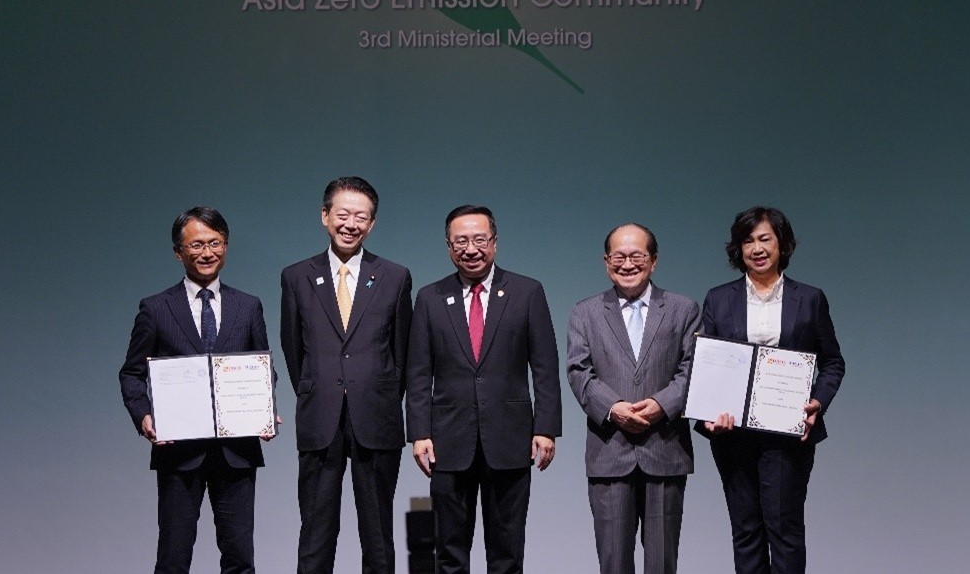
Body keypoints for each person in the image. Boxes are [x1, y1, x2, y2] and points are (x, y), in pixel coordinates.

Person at [406, 204, 563, 574]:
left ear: (495, 243)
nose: (471, 249)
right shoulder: (430, 298)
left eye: (479, 239)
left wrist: (545, 427)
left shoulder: (527, 292)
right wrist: (419, 432)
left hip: (510, 438)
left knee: (507, 552)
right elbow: (417, 373)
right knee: (449, 550)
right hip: (448, 441)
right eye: (461, 241)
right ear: (448, 247)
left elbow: (545, 366)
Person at [119, 206, 274, 574]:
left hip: (236, 451)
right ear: (178, 252)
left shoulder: (248, 306)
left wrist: (265, 408)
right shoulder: (156, 308)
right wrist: (144, 417)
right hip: (179, 454)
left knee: (239, 559)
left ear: (226, 246)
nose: (207, 252)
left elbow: (264, 369)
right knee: (173, 558)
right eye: (197, 245)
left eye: (215, 243)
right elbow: (131, 373)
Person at [699, 206, 845, 574]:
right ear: (738, 249)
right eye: (748, 241)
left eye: (765, 239)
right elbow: (706, 366)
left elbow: (832, 362)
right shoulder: (718, 299)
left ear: (782, 245)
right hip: (733, 434)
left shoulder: (810, 298)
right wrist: (707, 416)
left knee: (785, 530)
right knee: (745, 531)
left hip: (788, 433)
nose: (757, 248)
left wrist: (818, 403)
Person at [280, 176, 413, 574]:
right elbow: (293, 349)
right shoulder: (296, 276)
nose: (350, 223)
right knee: (316, 533)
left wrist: (382, 395)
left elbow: (402, 352)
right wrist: (316, 391)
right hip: (320, 417)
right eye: (342, 214)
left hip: (376, 417)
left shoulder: (394, 276)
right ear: (325, 216)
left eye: (361, 216)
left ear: (371, 224)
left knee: (378, 535)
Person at [566, 223, 700, 574]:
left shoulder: (684, 309)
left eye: (637, 256)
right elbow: (579, 371)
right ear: (606, 261)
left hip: (665, 449)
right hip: (609, 451)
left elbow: (693, 369)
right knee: (613, 564)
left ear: (654, 261)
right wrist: (612, 408)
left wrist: (663, 405)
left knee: (662, 564)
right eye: (618, 256)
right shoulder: (586, 312)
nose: (627, 264)